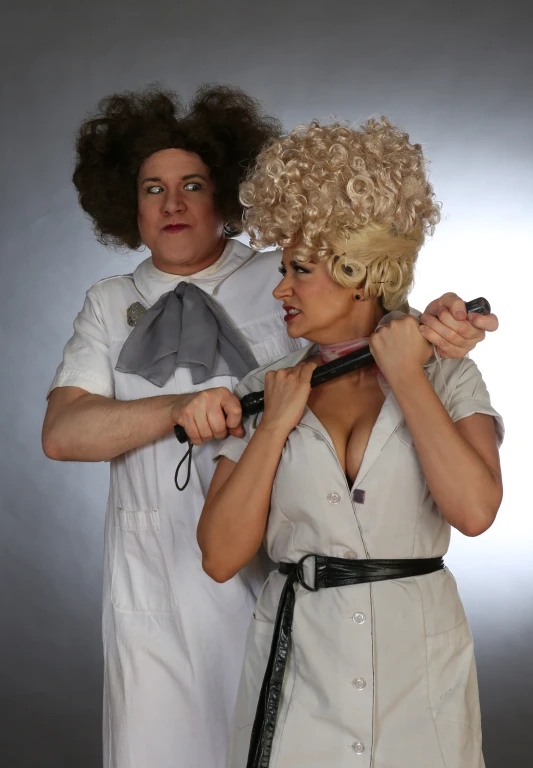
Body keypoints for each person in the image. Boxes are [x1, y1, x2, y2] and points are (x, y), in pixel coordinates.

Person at [42, 84, 497, 768]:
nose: (172, 204)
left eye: (192, 184)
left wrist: (434, 331)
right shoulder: (120, 311)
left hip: (351, 624)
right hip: (196, 599)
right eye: (151, 188)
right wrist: (218, 416)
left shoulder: (294, 283)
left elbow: (377, 305)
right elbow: (66, 435)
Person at [198, 117, 503, 768]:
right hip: (301, 665)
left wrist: (404, 378)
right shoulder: (262, 389)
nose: (280, 288)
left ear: (359, 271)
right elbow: (222, 555)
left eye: (298, 269)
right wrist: (275, 424)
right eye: (282, 268)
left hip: (418, 669)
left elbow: (474, 510)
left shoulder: (446, 373)